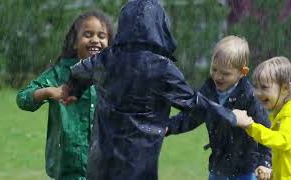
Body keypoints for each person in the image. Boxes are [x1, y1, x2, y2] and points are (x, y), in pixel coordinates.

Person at [55, 1, 237, 180]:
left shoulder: (105, 60)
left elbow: (78, 72)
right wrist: (233, 117)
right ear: (159, 27)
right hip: (138, 168)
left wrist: (74, 90)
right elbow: (195, 103)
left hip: (101, 166)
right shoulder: (162, 68)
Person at [16, 10, 113, 180]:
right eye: (88, 34)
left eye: (102, 35)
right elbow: (23, 98)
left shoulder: (115, 75)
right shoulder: (59, 73)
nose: (95, 40)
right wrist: (48, 92)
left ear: (110, 43)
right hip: (65, 172)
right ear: (75, 42)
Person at [166, 35, 272, 180]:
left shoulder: (249, 97)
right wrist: (169, 126)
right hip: (218, 167)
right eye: (214, 69)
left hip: (245, 170)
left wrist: (265, 162)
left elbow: (265, 129)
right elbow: (193, 116)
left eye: (225, 73)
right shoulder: (208, 90)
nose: (217, 76)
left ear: (242, 72)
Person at [234, 56, 291, 180]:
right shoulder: (281, 113)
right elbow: (289, 157)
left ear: (285, 88)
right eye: (256, 87)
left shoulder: (290, 115)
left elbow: (282, 141)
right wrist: (272, 174)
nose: (257, 93)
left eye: (264, 87)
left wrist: (250, 126)